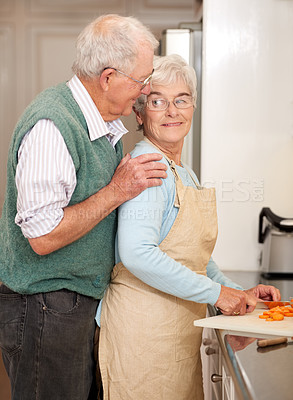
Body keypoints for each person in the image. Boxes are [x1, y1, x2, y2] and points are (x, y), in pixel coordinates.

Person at [0, 14, 168, 400]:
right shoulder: (53, 126)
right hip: (44, 308)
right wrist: (117, 191)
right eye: (140, 81)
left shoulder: (100, 124)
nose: (143, 92)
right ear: (108, 78)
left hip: (67, 307)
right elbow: (42, 237)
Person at [98, 54, 281, 400]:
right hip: (144, 338)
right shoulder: (148, 166)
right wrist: (218, 295)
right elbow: (137, 254)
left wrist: (238, 293)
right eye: (157, 101)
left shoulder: (182, 171)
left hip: (173, 337)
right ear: (139, 113)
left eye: (181, 100)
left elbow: (195, 258)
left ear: (193, 107)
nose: (172, 111)